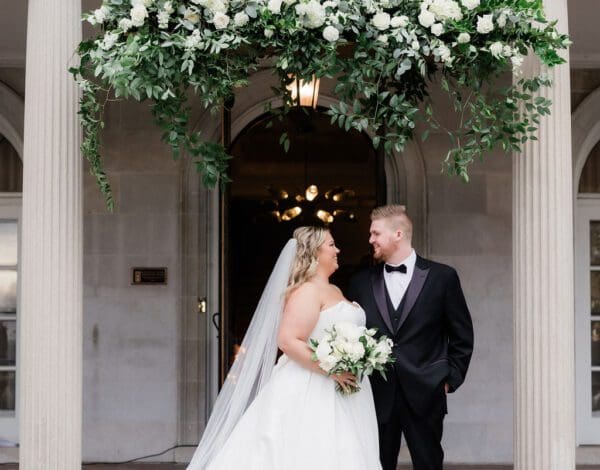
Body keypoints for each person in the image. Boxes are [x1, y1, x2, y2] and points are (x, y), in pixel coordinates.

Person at [187, 226, 382, 470]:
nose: (338, 250)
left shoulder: (333, 290)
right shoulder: (307, 291)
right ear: (313, 252)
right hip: (312, 386)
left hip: (344, 388)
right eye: (331, 245)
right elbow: (288, 340)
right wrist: (333, 369)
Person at [347, 205, 474, 470]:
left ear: (398, 234)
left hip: (426, 392)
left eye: (375, 233)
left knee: (429, 464)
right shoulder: (360, 282)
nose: (370, 239)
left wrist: (449, 380)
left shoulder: (443, 277)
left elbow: (462, 335)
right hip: (376, 396)